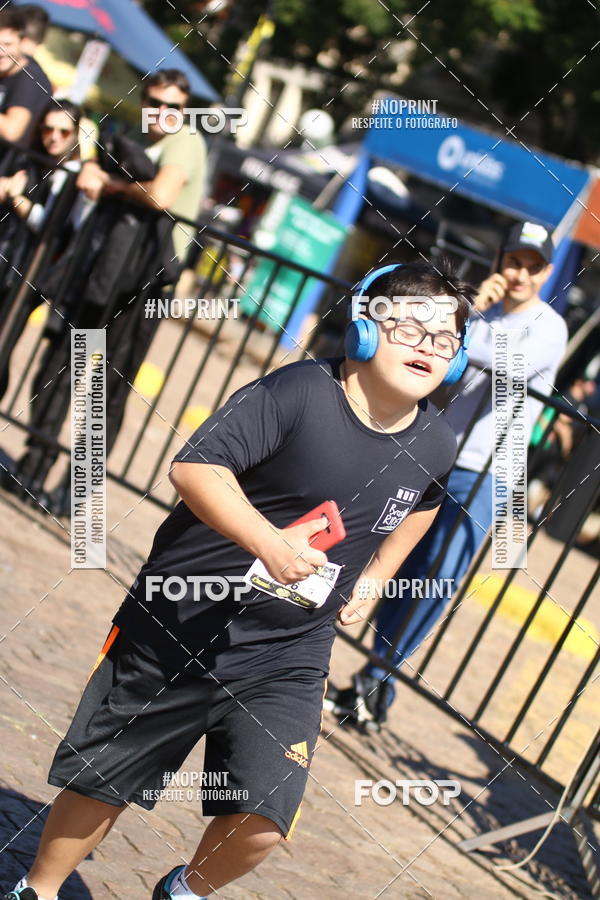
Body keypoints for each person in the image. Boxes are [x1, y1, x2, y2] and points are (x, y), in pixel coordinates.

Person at [4, 260, 474, 900]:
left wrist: (375, 578)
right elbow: (195, 470)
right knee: (105, 780)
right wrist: (268, 543)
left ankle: (183, 891)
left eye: (445, 340)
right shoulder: (298, 393)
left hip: (290, 652)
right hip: (180, 621)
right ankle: (40, 888)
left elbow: (424, 503)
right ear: (364, 329)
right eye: (411, 329)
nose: (429, 347)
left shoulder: (437, 442)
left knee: (263, 816)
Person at [328, 222, 569, 732]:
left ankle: (376, 685)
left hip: (488, 471)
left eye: (531, 264)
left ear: (546, 272)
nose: (519, 273)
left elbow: (505, 363)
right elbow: (447, 357)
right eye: (513, 259)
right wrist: (471, 310)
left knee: (434, 580)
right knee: (395, 562)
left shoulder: (549, 325)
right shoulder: (482, 310)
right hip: (437, 453)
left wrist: (455, 326)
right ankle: (370, 678)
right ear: (499, 260)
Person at [12, 69, 206, 513]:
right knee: (60, 363)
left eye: (173, 107)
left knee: (108, 389)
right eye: (155, 102)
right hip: (105, 270)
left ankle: (72, 494)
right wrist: (94, 164)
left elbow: (161, 195)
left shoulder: (186, 142)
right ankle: (33, 466)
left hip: (150, 282)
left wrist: (110, 183)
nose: (162, 113)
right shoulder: (132, 132)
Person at [0, 8, 51, 158]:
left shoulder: (30, 78)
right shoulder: (4, 72)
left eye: (7, 44)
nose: (1, 52)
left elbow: (12, 131)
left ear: (23, 42)